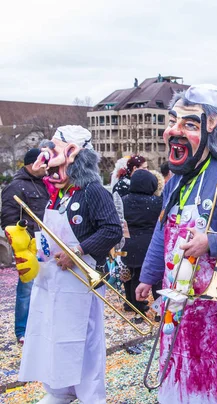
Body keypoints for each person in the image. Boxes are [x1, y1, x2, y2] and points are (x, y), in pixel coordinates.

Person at [135, 84, 217, 403]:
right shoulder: (174, 182)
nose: (175, 132)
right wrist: (147, 276)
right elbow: (160, 233)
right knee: (181, 370)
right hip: (178, 293)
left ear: (210, 128)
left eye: (189, 124)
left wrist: (212, 240)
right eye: (173, 122)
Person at [18, 125, 122, 403]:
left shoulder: (93, 192)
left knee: (86, 342)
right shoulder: (61, 193)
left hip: (82, 283)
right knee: (55, 333)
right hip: (56, 282)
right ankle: (61, 387)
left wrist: (78, 250)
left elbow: (111, 229)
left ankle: (89, 393)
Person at [1, 148, 49, 344]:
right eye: (43, 163)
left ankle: (40, 325)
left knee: (47, 285)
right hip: (30, 244)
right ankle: (22, 330)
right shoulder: (16, 186)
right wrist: (23, 240)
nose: (47, 167)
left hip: (47, 242)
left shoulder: (46, 184)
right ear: (32, 165)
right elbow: (7, 219)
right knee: (27, 287)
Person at [121, 169, 163, 318]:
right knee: (157, 278)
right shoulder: (157, 202)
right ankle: (160, 311)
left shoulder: (124, 200)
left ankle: (138, 310)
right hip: (149, 244)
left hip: (129, 244)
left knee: (135, 277)